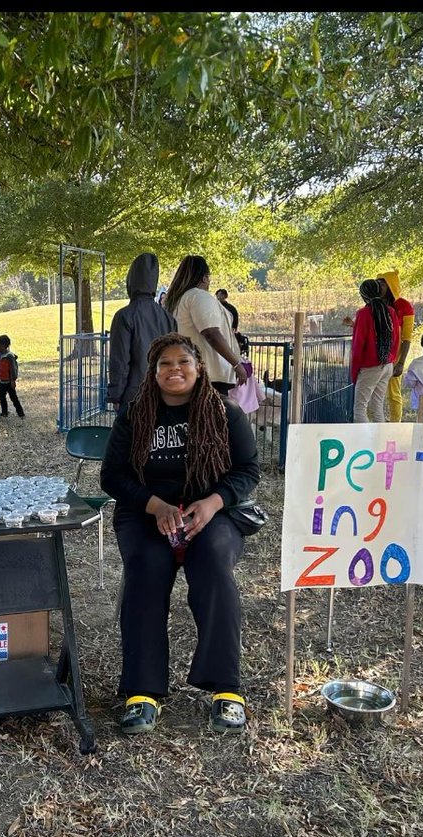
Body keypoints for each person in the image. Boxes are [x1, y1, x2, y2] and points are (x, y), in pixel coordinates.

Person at [101, 334, 260, 736]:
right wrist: (154, 505)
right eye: (164, 364)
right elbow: (112, 475)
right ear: (153, 373)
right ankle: (142, 691)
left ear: (199, 367)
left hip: (210, 512)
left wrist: (213, 502)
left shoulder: (225, 413)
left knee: (213, 569)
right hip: (146, 513)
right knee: (146, 568)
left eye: (183, 362)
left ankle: (226, 689)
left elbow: (248, 470)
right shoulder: (134, 415)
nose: (175, 370)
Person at [165, 255, 248, 395]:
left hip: (187, 371)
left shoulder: (179, 299)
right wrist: (236, 364)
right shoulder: (199, 296)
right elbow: (211, 333)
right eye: (209, 278)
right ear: (204, 277)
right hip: (209, 374)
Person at [107, 253, 176, 410]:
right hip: (163, 393)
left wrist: (115, 395)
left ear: (131, 280)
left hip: (133, 395)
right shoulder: (167, 318)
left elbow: (120, 360)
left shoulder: (124, 316)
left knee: (133, 434)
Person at [350, 278, 401, 423]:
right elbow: (396, 339)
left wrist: (355, 371)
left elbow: (358, 345)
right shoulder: (390, 311)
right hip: (387, 364)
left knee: (360, 408)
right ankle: (380, 440)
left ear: (364, 295)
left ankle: (364, 442)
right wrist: (391, 358)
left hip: (370, 367)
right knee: (377, 406)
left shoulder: (363, 314)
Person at [378, 269, 416, 422]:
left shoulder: (405, 306)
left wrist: (401, 362)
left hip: (395, 356)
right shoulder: (375, 304)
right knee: (373, 392)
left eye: (382, 283)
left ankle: (395, 425)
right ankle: (373, 426)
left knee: (393, 393)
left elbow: (407, 338)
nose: (379, 286)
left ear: (391, 285)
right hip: (375, 356)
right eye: (378, 283)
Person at [0, 334, 25, 417]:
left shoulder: (9, 357)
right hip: (1, 381)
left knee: (13, 398)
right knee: (1, 397)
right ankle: (4, 412)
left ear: (4, 346)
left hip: (9, 382)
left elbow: (13, 370)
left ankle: (20, 413)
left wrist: (13, 380)